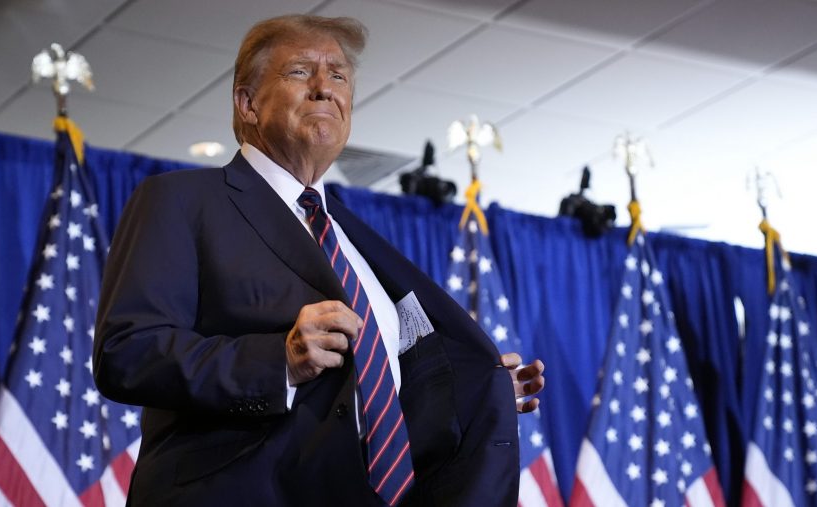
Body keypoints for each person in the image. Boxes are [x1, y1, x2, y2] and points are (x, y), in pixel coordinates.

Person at [94, 14, 543, 507]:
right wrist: (278, 362)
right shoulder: (181, 201)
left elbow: (380, 395)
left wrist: (481, 393)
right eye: (300, 72)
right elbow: (127, 352)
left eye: (339, 76)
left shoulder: (360, 241)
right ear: (247, 103)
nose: (324, 88)